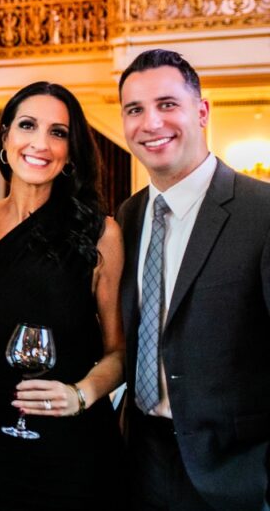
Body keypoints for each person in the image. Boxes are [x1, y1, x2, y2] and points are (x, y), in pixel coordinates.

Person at [0, 82, 126, 510]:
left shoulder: (101, 234)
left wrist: (81, 395)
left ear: (72, 151)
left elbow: (119, 353)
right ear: (5, 138)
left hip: (73, 448)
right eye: (28, 125)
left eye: (58, 132)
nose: (40, 143)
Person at [116, 50, 270, 510]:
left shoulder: (261, 212)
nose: (150, 123)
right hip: (140, 460)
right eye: (134, 110)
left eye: (167, 104)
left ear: (201, 112)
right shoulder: (128, 215)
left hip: (236, 474)